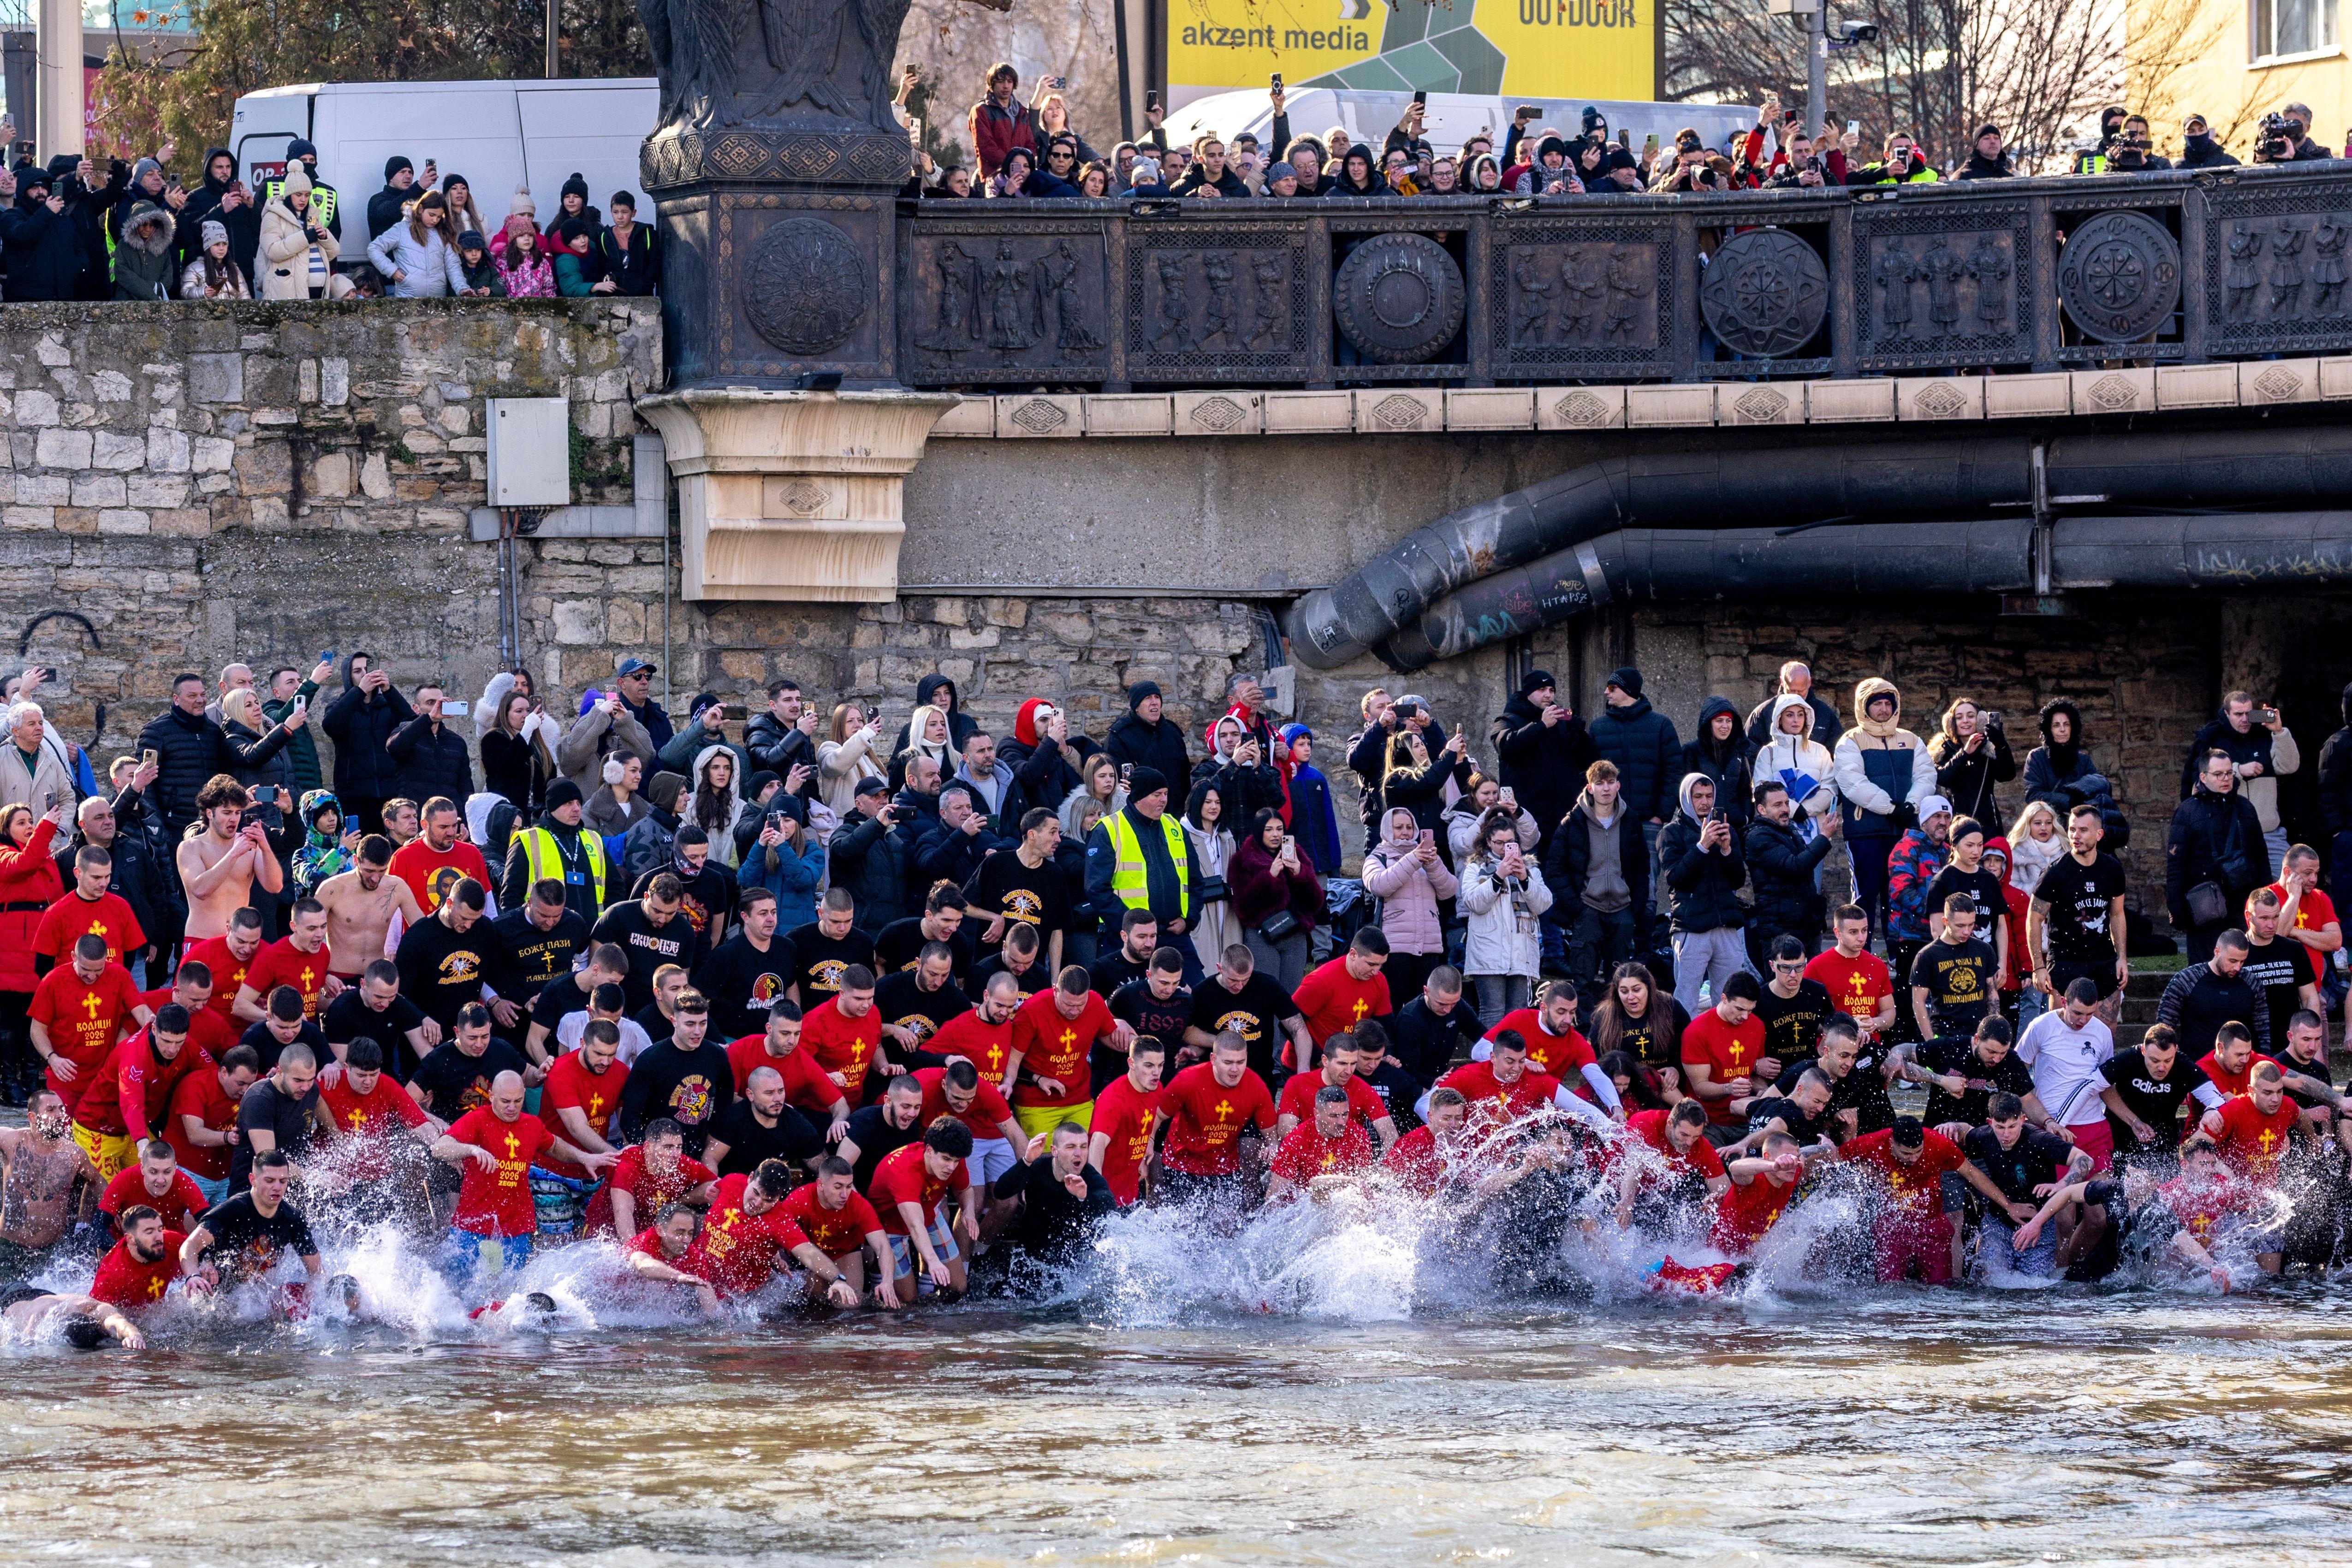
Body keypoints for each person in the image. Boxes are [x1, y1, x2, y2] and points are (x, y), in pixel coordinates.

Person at [433, 1069, 615, 1281]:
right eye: (505, 1101)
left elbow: (554, 1146)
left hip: (516, 1225)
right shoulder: (477, 1120)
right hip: (474, 1221)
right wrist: (471, 1150)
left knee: (508, 1289)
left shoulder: (532, 1124)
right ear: (491, 1096)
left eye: (518, 1101)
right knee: (460, 1289)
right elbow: (440, 1148)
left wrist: (584, 1158)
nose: (512, 1108)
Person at [1834, 678, 1937, 937]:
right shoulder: (1851, 741)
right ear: (1864, 708)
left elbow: (1926, 776)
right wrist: (1891, 808)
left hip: (1903, 832)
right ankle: (1861, 951)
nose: (1883, 709)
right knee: (1865, 897)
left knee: (1900, 895)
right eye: (1876, 704)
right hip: (1865, 832)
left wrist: (1911, 806)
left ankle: (1897, 954)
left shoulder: (1911, 740)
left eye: (1887, 704)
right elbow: (1852, 782)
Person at [1549, 760, 1650, 1010]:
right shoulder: (1572, 822)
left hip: (1622, 908)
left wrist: (1635, 906)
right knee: (1582, 979)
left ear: (1618, 785)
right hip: (1587, 908)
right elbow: (1555, 868)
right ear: (1590, 787)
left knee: (1619, 983)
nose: (1606, 789)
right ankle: (1585, 1033)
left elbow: (1642, 867)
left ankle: (1615, 1034)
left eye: (1610, 783)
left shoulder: (1630, 820)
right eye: (1599, 783)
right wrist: (1576, 906)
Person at [2170, 750, 2273, 964]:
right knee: (2203, 968)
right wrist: (2177, 909)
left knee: (2245, 965)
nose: (2225, 779)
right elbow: (2176, 864)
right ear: (2203, 777)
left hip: (2242, 898)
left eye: (2229, 773)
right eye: (2218, 774)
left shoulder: (2245, 808)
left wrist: (2265, 898)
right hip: (2203, 904)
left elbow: (2261, 856)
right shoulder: (2187, 811)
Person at [2182, 693, 2300, 877]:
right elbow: (2201, 781)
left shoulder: (2264, 736)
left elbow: (2289, 766)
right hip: (2229, 836)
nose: (2245, 719)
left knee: (2287, 886)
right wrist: (2238, 770)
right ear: (2227, 713)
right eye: (2238, 714)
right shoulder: (2213, 739)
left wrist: (2278, 731)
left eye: (2248, 713)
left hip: (2269, 832)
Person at [1658, 774, 1748, 1011]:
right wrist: (1703, 846)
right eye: (1698, 796)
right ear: (1687, 798)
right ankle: (1683, 1046)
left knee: (1729, 998)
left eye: (1709, 796)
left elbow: (1739, 879)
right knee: (1686, 999)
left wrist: (1728, 849)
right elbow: (1677, 878)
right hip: (1691, 926)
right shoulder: (1671, 833)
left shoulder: (1726, 830)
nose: (1705, 802)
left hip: (1726, 925)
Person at [178, 1148, 322, 1292]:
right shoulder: (231, 1211)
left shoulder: (293, 1218)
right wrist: (193, 1275)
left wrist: (311, 1294)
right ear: (252, 1180)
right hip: (215, 1291)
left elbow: (317, 1273)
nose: (277, 1188)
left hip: (256, 1293)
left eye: (283, 1181)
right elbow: (189, 1246)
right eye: (270, 1181)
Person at [871, 1119, 980, 1302]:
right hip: (890, 1226)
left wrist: (968, 1212)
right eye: (946, 1159)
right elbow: (915, 1226)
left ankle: (932, 1306)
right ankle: (879, 1284)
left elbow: (966, 1190)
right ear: (929, 1151)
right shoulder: (904, 1171)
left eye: (956, 1161)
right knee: (907, 1300)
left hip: (928, 1212)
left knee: (958, 1286)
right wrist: (933, 1261)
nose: (951, 1167)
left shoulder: (954, 1160)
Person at [1460, 812, 1551, 1030]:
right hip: (1487, 953)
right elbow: (1474, 902)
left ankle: (1514, 1064)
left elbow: (1544, 904)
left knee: (1518, 1015)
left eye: (1510, 843)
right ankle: (1488, 1063)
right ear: (1488, 842)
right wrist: (1499, 876)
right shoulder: (1475, 868)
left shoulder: (1531, 870)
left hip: (1522, 953)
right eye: (1498, 843)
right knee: (1492, 1013)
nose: (1504, 848)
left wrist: (1525, 879)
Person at [2016, 979, 2119, 1167]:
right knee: (2062, 1193)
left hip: (2092, 1123)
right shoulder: (2041, 1026)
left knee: (2103, 1187)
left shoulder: (2103, 1033)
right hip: (2052, 1124)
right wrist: (2031, 1110)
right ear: (2064, 1002)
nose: (2083, 1020)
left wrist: (2134, 1121)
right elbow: (2016, 1072)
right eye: (2077, 1013)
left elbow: (2105, 1084)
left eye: (2090, 1014)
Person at [1360, 807, 1456, 1005]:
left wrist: (1433, 864)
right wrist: (1413, 859)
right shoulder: (1377, 858)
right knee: (1392, 1006)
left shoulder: (1427, 859)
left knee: (1423, 1008)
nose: (1405, 832)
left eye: (1409, 827)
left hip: (1429, 947)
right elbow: (1379, 885)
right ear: (1387, 830)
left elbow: (1449, 890)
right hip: (1394, 948)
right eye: (1398, 827)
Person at [1745, 780, 1835, 966]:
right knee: (1781, 989)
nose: (1785, 809)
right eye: (1777, 805)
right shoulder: (1759, 837)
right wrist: (1824, 837)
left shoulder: (1788, 830)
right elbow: (1795, 867)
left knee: (1811, 988)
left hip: (1806, 927)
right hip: (1780, 932)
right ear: (1762, 810)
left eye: (1786, 803)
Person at [256, 167, 350, 300]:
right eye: (298, 195)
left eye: (307, 195)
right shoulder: (273, 216)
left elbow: (333, 253)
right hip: (287, 292)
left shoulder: (313, 214)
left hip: (318, 292)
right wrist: (305, 237)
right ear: (289, 194)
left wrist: (325, 237)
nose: (303, 200)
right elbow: (273, 251)